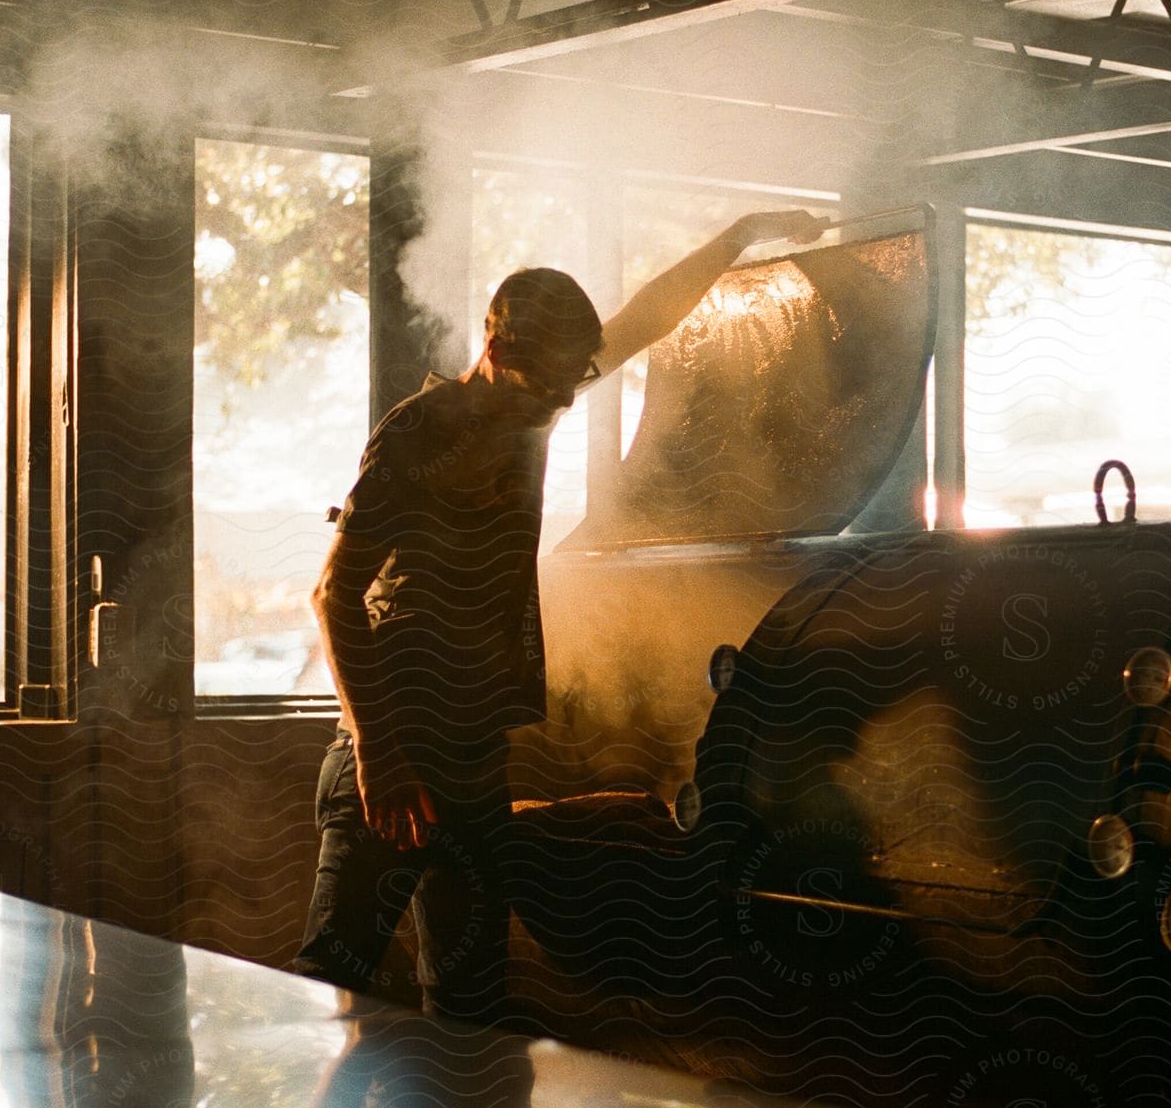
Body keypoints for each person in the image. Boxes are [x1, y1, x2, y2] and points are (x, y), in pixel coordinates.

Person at [290, 208, 828, 1023]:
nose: (566, 403)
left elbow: (643, 320)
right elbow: (334, 594)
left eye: (576, 382)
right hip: (395, 749)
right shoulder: (415, 436)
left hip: (473, 759)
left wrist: (739, 235)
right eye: (552, 385)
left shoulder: (540, 402)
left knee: (469, 1008)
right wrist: (379, 757)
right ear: (497, 350)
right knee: (335, 981)